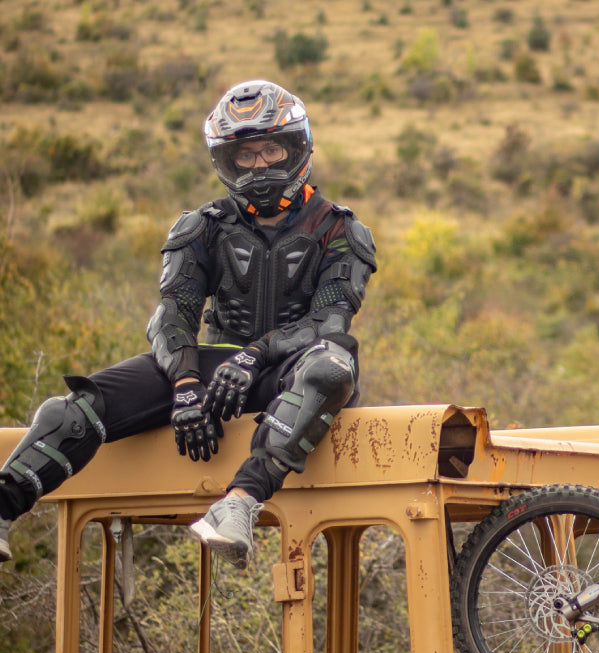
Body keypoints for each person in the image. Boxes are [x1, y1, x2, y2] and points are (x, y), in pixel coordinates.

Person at [0, 79, 376, 570]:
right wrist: (185, 384)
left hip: (295, 372)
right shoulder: (201, 226)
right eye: (245, 155)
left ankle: (239, 502)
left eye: (270, 150)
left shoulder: (341, 230)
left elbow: (328, 324)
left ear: (296, 148)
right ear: (226, 161)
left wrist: (254, 354)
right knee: (78, 406)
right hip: (213, 375)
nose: (259, 165)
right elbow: (171, 314)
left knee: (334, 367)